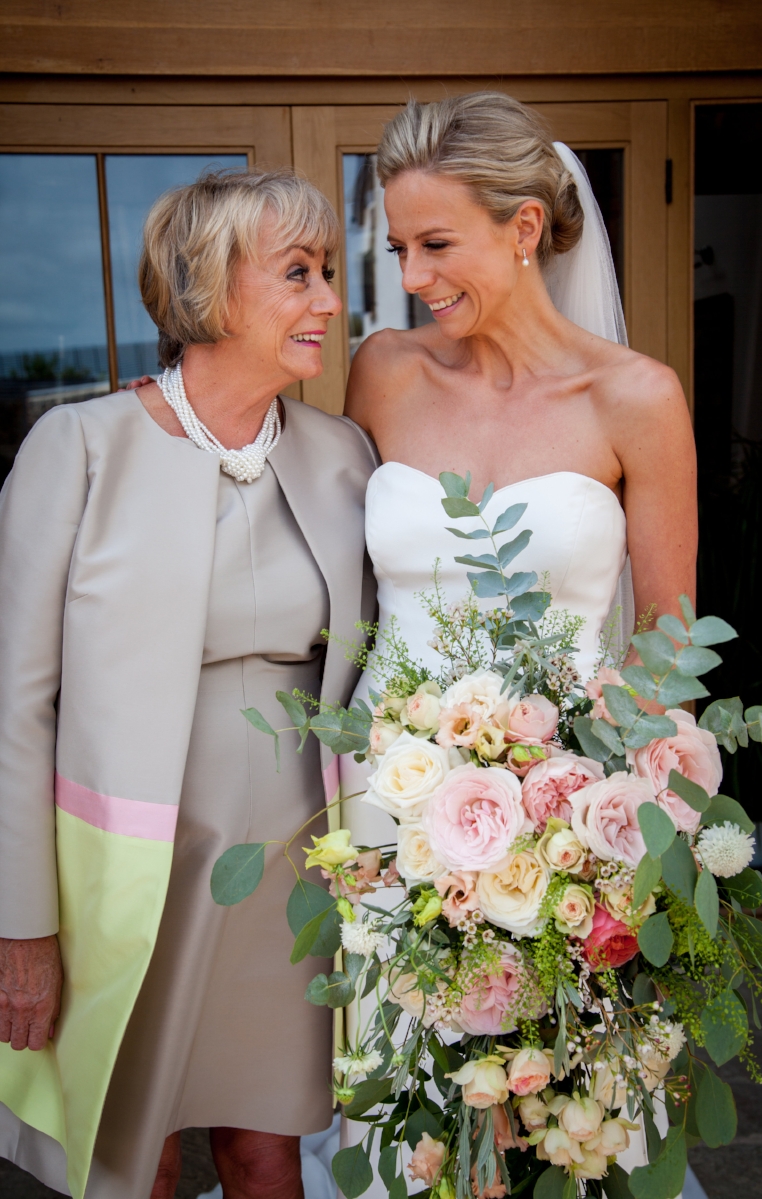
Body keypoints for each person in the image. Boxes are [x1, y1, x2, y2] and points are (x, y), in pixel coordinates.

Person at [338, 92, 696, 1196]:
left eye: (435, 243)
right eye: (395, 246)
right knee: (409, 1107)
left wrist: (590, 829)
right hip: (387, 801)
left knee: (556, 1113)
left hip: (566, 811)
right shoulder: (382, 373)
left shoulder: (635, 397)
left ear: (525, 228)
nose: (409, 275)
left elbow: (667, 641)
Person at [0, 168, 377, 1199]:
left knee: (268, 1150)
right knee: (137, 1158)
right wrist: (22, 924)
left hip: (296, 879)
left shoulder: (344, 456)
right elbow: (13, 710)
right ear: (211, 285)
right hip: (125, 882)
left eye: (330, 271)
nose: (327, 301)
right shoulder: (76, 451)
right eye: (296, 273)